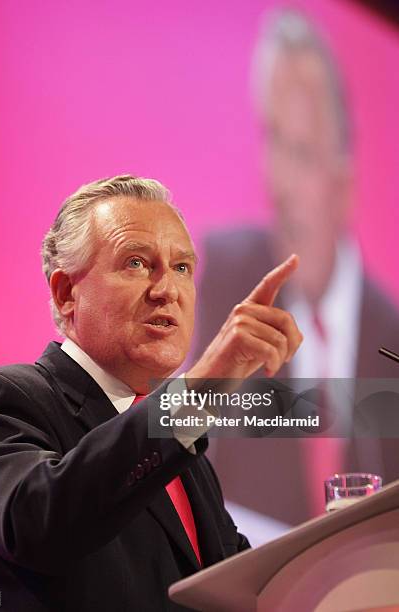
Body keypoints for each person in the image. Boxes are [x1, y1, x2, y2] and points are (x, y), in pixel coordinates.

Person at [0, 175, 302, 611]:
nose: (167, 290)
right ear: (65, 293)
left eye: (182, 267)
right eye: (136, 263)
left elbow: (235, 586)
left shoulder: (184, 452)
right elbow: (42, 523)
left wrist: (339, 565)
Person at [195, 8, 399, 524]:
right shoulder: (231, 279)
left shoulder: (392, 335)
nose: (281, 184)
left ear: (345, 181)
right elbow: (178, 434)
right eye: (273, 142)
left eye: (303, 152)